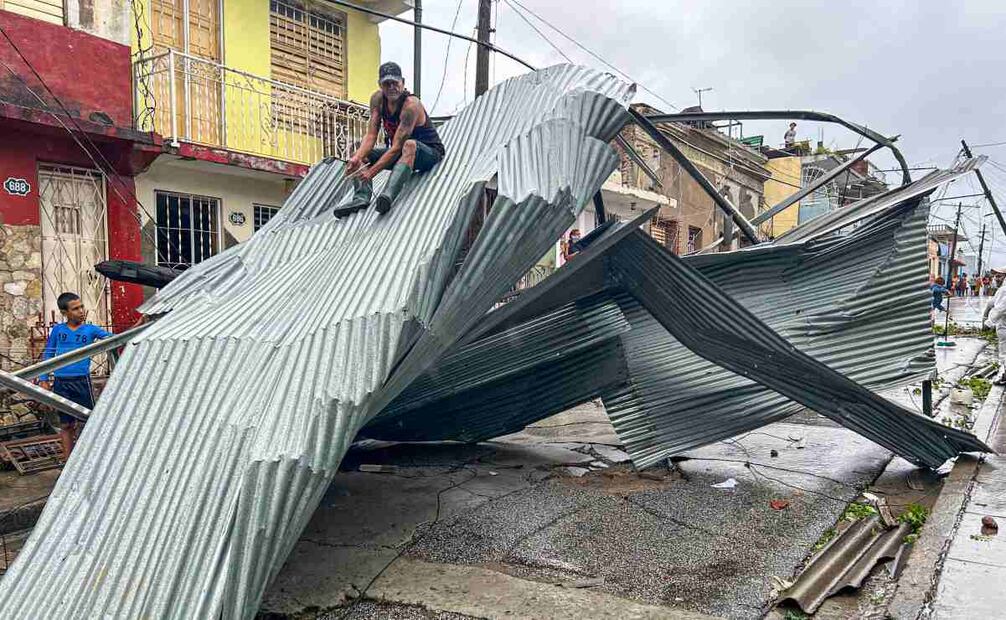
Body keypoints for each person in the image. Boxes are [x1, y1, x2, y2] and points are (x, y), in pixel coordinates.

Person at [338, 61, 446, 216]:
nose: (391, 87)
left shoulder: (411, 106)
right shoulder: (377, 100)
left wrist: (372, 172)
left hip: (428, 153)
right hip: (402, 154)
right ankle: (361, 197)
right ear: (380, 85)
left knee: (409, 145)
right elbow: (371, 135)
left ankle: (387, 196)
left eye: (395, 83)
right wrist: (356, 158)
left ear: (403, 83)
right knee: (360, 153)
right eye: (386, 84)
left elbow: (396, 148)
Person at [37, 293, 111, 458]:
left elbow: (116, 339)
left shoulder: (91, 330)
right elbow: (48, 354)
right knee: (66, 425)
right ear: (65, 313)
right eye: (75, 309)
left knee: (89, 421)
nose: (81, 311)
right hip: (61, 383)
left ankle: (90, 459)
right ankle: (68, 463)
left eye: (81, 307)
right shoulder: (58, 330)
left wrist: (138, 325)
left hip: (82, 382)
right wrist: (43, 379)